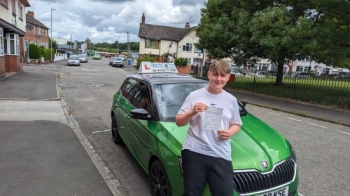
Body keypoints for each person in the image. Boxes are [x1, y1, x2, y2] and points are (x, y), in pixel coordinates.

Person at [175, 59, 242, 196]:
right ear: (209, 74)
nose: (218, 79)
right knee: (191, 193)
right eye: (215, 74)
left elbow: (237, 123)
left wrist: (229, 132)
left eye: (222, 75)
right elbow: (179, 122)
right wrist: (192, 112)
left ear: (228, 77)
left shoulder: (231, 100)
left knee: (224, 193)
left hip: (220, 153)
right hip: (195, 151)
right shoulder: (195, 96)